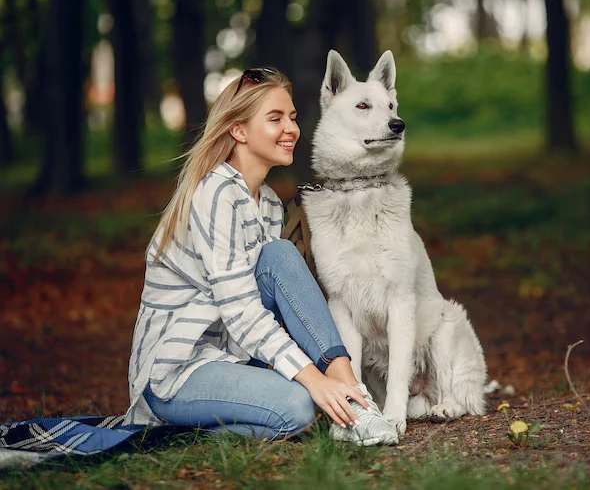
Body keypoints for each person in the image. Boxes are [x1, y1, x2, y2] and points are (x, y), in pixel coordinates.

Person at [124, 67, 398, 446]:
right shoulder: (216, 194)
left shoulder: (267, 203)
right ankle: (174, 428)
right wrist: (311, 378)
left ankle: (355, 395)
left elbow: (270, 302)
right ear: (239, 131)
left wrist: (323, 378)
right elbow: (241, 311)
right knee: (298, 408)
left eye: (293, 117)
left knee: (281, 255)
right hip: (176, 370)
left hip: (231, 354)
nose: (291, 129)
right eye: (275, 119)